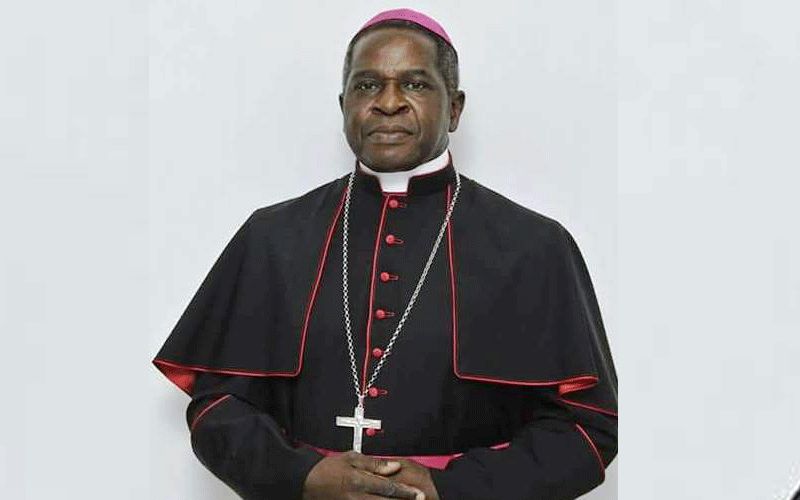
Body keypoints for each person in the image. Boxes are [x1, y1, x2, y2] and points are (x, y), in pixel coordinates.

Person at [152, 8, 618, 500]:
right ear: (344, 105)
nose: (388, 103)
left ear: (455, 108)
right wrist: (302, 477)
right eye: (367, 85)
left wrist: (449, 488)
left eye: (415, 84)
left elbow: (590, 430)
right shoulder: (271, 237)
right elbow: (216, 408)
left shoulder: (534, 247)